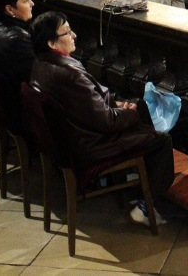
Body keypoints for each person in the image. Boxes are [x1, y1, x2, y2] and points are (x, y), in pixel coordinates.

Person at [28, 12, 174, 226]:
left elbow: (90, 105)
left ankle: (138, 181)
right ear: (51, 43)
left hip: (71, 139)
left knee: (136, 109)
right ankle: (146, 205)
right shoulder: (70, 74)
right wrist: (131, 112)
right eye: (67, 32)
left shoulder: (40, 64)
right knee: (160, 139)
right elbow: (107, 121)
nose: (74, 35)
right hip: (89, 144)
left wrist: (118, 104)